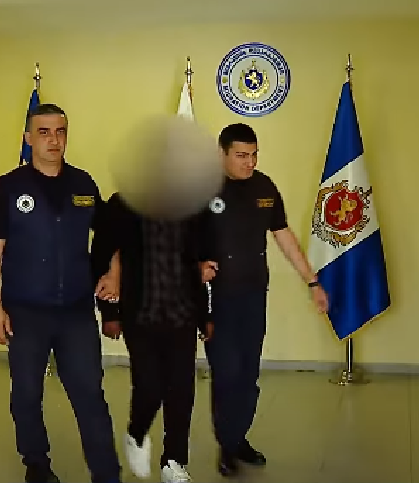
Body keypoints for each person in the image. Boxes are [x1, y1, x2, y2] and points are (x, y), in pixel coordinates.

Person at [0, 103, 121, 483]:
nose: (53, 140)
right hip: (25, 312)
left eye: (60, 132)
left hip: (75, 311)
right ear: (28, 138)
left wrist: (114, 272)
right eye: (43, 132)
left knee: (89, 393)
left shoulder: (84, 185)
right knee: (27, 393)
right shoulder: (8, 188)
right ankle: (36, 464)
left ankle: (107, 473)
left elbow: (109, 236)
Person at [201, 123, 329, 477]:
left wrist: (312, 281)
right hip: (216, 299)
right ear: (222, 154)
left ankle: (237, 436)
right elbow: (178, 236)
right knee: (226, 372)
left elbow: (283, 235)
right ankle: (227, 445)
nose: (250, 162)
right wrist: (193, 266)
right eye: (241, 155)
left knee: (248, 373)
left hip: (253, 294)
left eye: (254, 154)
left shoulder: (264, 188)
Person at [91, 192, 213, 483]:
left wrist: (204, 314)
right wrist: (109, 312)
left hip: (182, 314)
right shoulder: (121, 205)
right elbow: (101, 258)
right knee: (149, 385)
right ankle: (136, 433)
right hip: (141, 315)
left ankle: (174, 461)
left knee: (181, 391)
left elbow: (200, 262)